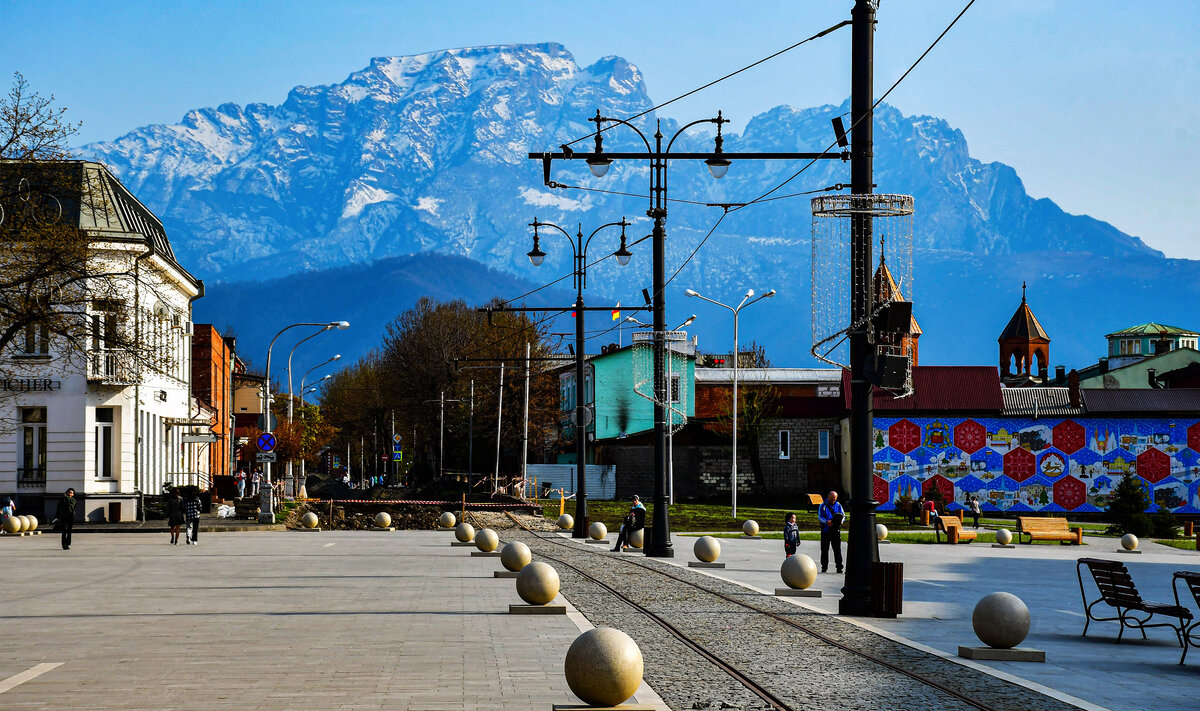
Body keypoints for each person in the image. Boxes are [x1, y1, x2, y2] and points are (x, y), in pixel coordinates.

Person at [817, 490, 845, 574]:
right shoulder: (822, 506)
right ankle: (824, 567)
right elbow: (820, 516)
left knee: (837, 550)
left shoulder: (838, 505)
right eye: (832, 498)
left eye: (834, 498)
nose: (833, 500)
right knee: (824, 549)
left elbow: (843, 515)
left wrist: (842, 521)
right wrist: (826, 522)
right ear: (828, 497)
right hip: (826, 530)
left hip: (836, 530)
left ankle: (839, 567)